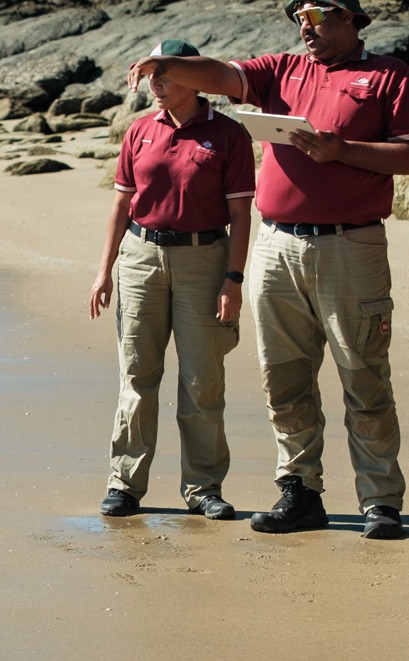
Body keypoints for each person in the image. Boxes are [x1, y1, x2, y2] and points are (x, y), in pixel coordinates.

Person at [129, 0, 409, 539]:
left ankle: (380, 500)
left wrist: (343, 150)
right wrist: (164, 67)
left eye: (315, 15)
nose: (304, 25)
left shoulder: (389, 76)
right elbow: (222, 76)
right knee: (284, 378)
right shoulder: (282, 70)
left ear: (347, 16)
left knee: (363, 372)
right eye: (297, 16)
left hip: (352, 244)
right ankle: (299, 490)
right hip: (276, 245)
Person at [89, 38, 256, 519]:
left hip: (205, 261)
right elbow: (121, 204)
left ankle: (203, 487)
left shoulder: (227, 134)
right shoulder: (140, 131)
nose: (156, 84)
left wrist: (234, 279)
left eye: (164, 74)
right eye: (151, 76)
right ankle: (124, 483)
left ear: (192, 76)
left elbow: (241, 215)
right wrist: (104, 271)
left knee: (203, 379)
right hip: (140, 258)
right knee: (138, 374)